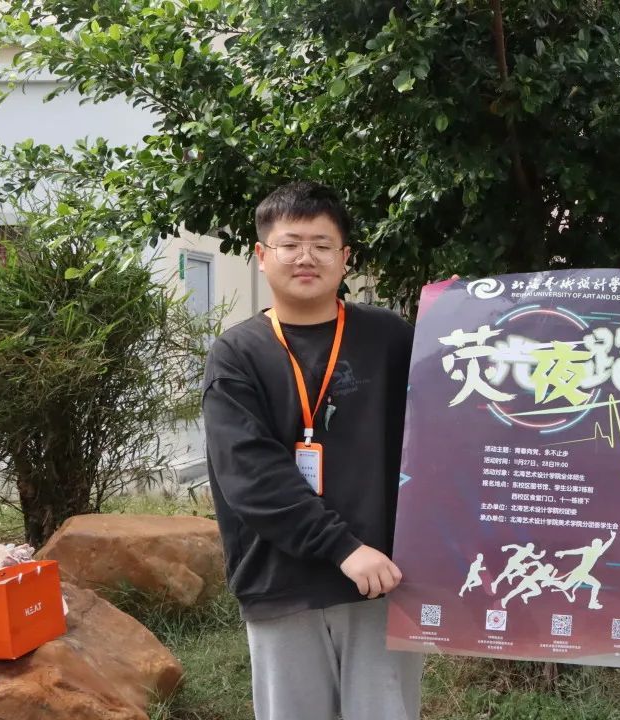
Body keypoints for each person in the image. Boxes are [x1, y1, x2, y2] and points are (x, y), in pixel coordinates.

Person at [202, 181, 422, 720]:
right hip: (282, 584)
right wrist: (342, 547)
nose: (307, 257)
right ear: (262, 255)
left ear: (345, 258)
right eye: (291, 244)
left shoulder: (391, 338)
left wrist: (464, 314)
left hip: (381, 582)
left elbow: (462, 397)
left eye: (322, 245)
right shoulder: (237, 354)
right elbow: (250, 475)